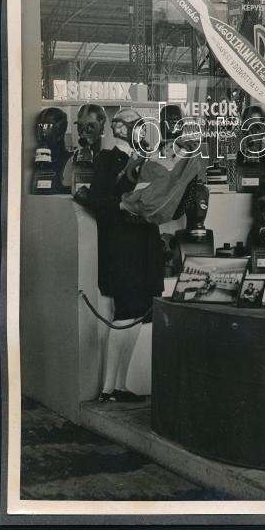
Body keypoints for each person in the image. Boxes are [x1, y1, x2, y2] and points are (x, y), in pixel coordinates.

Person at [88, 108, 164, 403]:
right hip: (122, 246)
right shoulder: (107, 160)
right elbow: (98, 200)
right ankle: (109, 388)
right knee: (125, 312)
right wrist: (123, 205)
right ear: (122, 128)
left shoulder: (147, 160)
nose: (142, 132)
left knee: (140, 312)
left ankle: (119, 385)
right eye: (136, 126)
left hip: (144, 244)